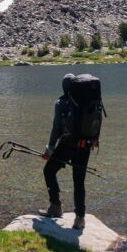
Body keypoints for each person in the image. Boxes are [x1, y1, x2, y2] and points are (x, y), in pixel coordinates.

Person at [40, 73, 93, 230]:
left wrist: (49, 149)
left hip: (68, 144)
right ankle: (80, 219)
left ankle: (55, 207)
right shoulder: (87, 101)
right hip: (86, 145)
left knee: (49, 171)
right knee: (79, 181)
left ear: (64, 87)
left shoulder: (61, 102)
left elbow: (56, 127)